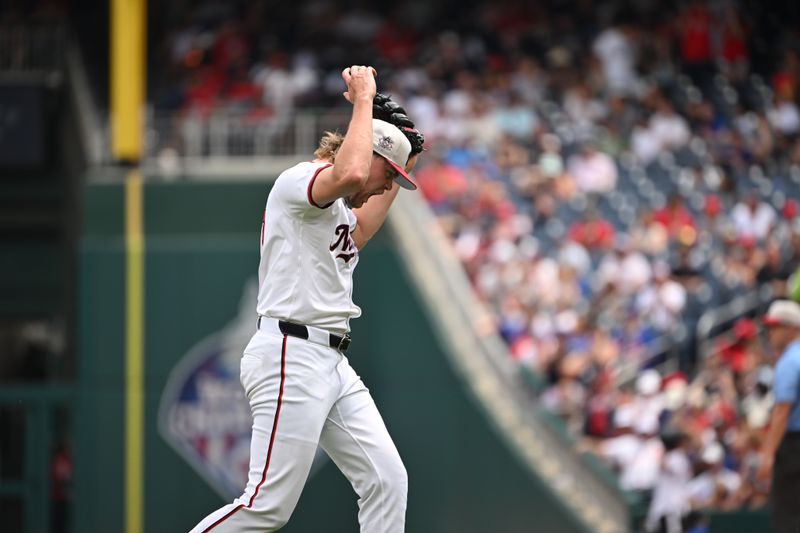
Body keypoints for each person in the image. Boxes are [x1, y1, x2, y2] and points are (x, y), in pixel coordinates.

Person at [190, 65, 424, 533]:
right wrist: (363, 100)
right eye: (390, 172)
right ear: (369, 154)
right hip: (289, 352)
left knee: (387, 479)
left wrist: (410, 150)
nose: (386, 185)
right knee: (265, 506)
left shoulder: (339, 209)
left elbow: (369, 212)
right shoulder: (303, 180)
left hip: (330, 360)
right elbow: (356, 170)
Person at [758, 299, 800, 533]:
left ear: (793, 328)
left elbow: (782, 411)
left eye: (776, 326)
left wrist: (767, 455)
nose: (771, 333)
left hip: (794, 446)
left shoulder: (789, 361)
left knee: (788, 516)